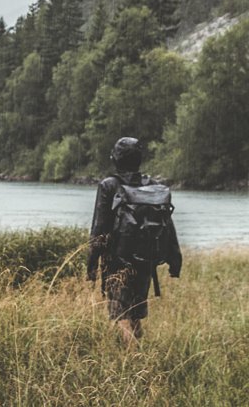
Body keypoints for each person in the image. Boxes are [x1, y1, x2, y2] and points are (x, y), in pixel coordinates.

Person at [86, 137, 182, 345]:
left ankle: (135, 364)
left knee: (121, 316)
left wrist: (91, 264)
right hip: (146, 260)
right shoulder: (153, 186)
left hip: (116, 262)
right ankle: (140, 357)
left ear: (116, 159)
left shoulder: (109, 185)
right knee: (135, 314)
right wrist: (175, 260)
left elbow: (99, 228)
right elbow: (168, 226)